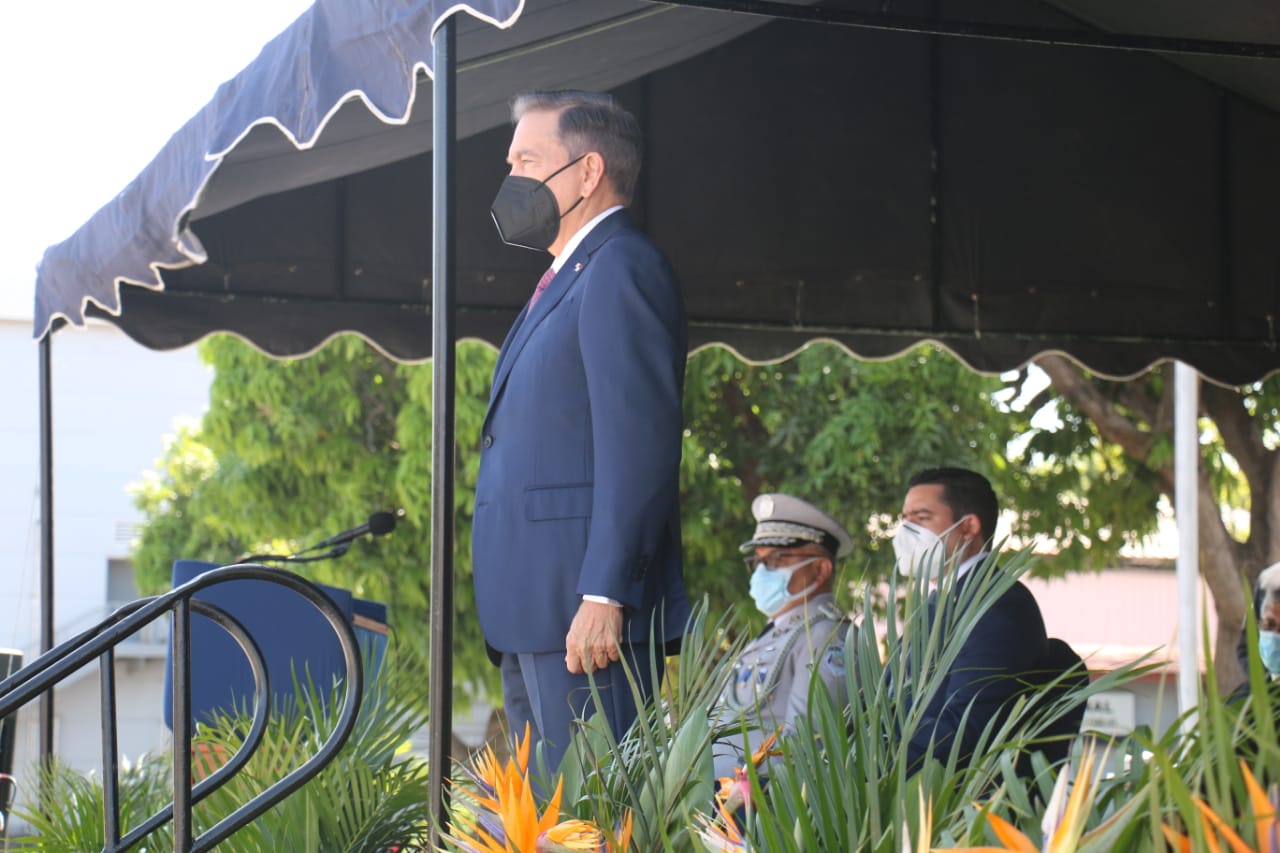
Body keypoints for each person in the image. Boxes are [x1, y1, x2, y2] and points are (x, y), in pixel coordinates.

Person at [471, 90, 691, 772]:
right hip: (533, 609)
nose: (513, 179)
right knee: (548, 814)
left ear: (588, 172)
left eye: (528, 161)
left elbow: (639, 443)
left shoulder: (621, 265)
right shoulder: (567, 275)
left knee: (593, 813)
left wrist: (607, 591)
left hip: (583, 613)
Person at [893, 467, 1049, 770]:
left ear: (968, 527)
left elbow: (963, 730)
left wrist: (873, 763)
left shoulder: (998, 606)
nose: (906, 532)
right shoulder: (938, 602)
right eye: (904, 519)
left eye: (922, 518)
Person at [712, 493, 853, 779]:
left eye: (776, 559)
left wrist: (739, 794)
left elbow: (806, 744)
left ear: (820, 569)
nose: (761, 571)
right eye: (758, 561)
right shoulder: (773, 635)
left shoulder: (826, 636)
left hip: (758, 798)